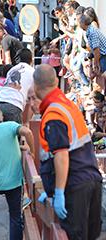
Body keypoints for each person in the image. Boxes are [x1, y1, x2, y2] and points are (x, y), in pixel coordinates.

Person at [34, 64, 102, 240]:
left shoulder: (53, 114)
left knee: (72, 235)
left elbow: (62, 155)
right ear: (56, 81)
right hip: (92, 179)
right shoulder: (68, 105)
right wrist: (49, 191)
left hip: (75, 185)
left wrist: (58, 192)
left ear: (35, 86)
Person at [0, 108, 34, 240]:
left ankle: (20, 201)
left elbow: (1, 149)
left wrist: (18, 147)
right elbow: (27, 132)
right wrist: (32, 151)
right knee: (15, 217)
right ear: (2, 118)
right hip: (10, 183)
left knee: (14, 202)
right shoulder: (9, 126)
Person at [0, 48, 34, 124]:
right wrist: (26, 123)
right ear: (31, 60)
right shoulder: (33, 72)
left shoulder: (12, 70)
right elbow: (32, 99)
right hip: (13, 105)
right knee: (14, 133)